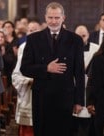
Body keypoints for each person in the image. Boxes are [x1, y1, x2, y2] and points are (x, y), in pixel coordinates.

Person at [20, 2, 85, 136]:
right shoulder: (33, 39)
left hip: (65, 96)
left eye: (57, 18)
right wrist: (46, 68)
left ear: (63, 18)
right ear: (45, 17)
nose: (53, 21)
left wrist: (79, 101)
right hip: (42, 96)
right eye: (50, 17)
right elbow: (24, 68)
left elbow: (79, 73)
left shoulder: (76, 40)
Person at [12, 20, 41, 136]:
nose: (32, 33)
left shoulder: (49, 47)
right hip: (28, 95)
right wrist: (28, 81)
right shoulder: (23, 47)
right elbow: (16, 75)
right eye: (30, 30)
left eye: (35, 30)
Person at [72, 25, 99, 136]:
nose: (81, 38)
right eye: (78, 36)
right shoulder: (68, 49)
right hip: (74, 92)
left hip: (91, 92)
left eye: (83, 36)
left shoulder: (96, 49)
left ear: (88, 35)